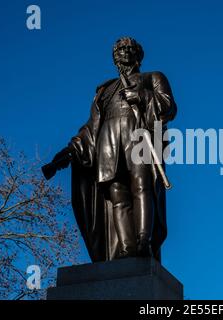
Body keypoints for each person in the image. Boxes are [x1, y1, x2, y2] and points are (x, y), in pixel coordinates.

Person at [51, 37, 177, 261]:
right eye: (119, 49)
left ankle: (143, 242)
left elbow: (168, 107)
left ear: (138, 55)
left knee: (142, 187)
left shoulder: (152, 77)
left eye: (128, 48)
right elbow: (92, 127)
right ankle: (127, 248)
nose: (123, 52)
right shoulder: (105, 90)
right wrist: (71, 149)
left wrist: (142, 96)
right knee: (117, 194)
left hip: (139, 136)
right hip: (108, 142)